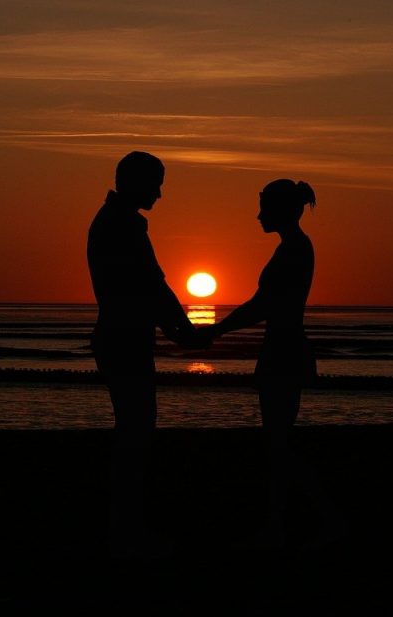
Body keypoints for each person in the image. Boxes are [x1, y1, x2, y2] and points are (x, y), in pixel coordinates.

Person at [200, 179, 339, 548]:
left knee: (277, 443)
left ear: (280, 210)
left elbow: (263, 305)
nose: (258, 214)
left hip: (284, 349)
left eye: (264, 207)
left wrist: (217, 330)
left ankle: (316, 517)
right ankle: (281, 521)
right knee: (276, 441)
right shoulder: (292, 247)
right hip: (282, 346)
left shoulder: (294, 249)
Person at [86, 150, 202, 559]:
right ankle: (127, 530)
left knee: (133, 431)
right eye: (156, 184)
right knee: (136, 433)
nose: (160, 194)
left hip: (120, 337)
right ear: (135, 182)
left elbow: (148, 287)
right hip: (124, 340)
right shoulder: (123, 225)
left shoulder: (113, 221)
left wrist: (177, 329)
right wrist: (183, 331)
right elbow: (150, 285)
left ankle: (125, 525)